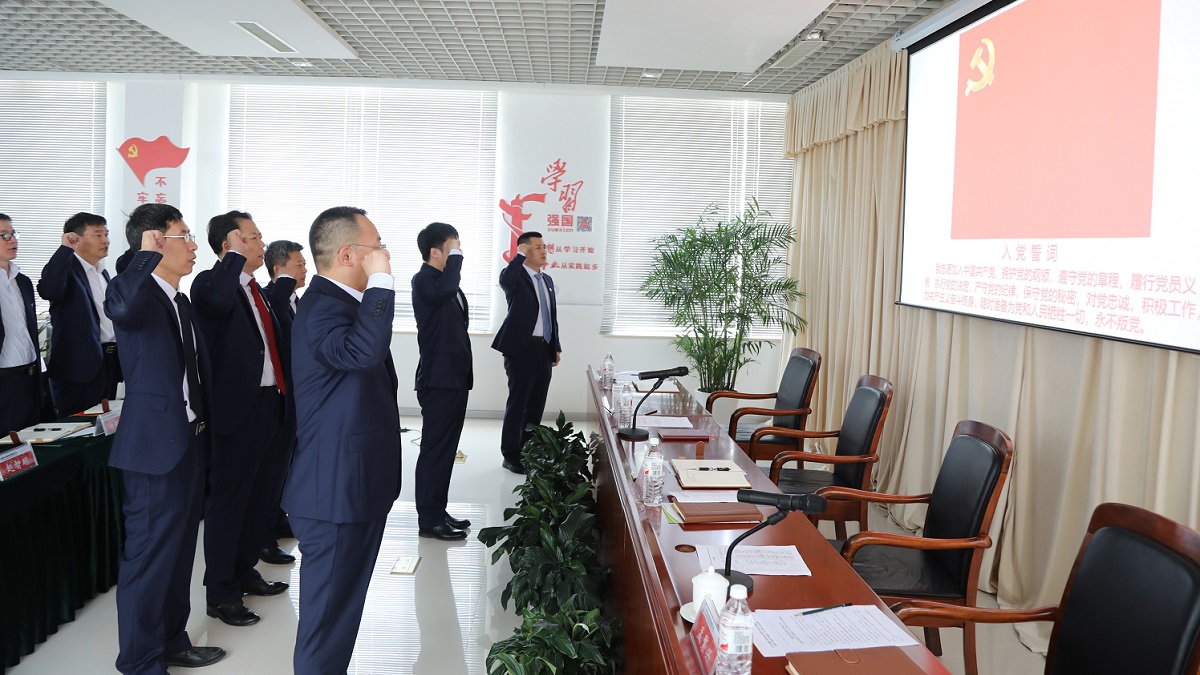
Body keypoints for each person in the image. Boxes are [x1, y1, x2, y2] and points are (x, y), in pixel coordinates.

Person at [103, 203, 226, 673]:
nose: (193, 246)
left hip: (189, 440)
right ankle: (139, 661)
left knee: (177, 553)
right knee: (150, 559)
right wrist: (143, 255)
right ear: (155, 241)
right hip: (154, 448)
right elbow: (120, 306)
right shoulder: (134, 292)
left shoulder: (179, 300)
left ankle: (172, 641)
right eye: (183, 236)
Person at [282, 206, 400, 674]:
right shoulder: (322, 307)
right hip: (333, 490)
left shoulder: (344, 304)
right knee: (327, 624)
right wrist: (382, 283)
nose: (384, 254)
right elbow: (362, 353)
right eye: (377, 247)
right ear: (348, 254)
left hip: (354, 484)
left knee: (341, 616)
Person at [190, 211, 289, 627]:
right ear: (229, 242)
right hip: (235, 411)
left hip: (268, 402)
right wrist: (232, 255)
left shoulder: (255, 289)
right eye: (253, 237)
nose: (261, 244)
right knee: (230, 501)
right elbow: (213, 303)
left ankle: (245, 570)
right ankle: (221, 592)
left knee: (258, 495)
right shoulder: (210, 283)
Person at [411, 222, 472, 540]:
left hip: (454, 378)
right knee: (435, 451)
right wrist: (456, 259)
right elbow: (446, 290)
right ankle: (429, 519)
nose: (459, 254)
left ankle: (438, 510)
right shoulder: (425, 280)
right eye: (453, 248)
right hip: (439, 380)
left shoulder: (444, 282)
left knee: (446, 451)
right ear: (435, 252)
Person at [38, 212, 122, 416]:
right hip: (78, 368)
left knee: (105, 424)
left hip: (108, 363)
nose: (105, 240)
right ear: (76, 238)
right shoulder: (67, 270)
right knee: (77, 427)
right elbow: (48, 290)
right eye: (98, 235)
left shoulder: (102, 272)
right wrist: (65, 249)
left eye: (106, 234)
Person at [491, 231, 561, 473]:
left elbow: (551, 316)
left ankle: (530, 451)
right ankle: (510, 454)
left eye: (544, 247)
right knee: (518, 403)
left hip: (543, 348)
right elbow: (506, 280)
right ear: (525, 249)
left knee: (536, 404)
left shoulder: (547, 280)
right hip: (520, 349)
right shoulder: (515, 276)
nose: (544, 251)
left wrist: (555, 346)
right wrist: (518, 255)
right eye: (538, 247)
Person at [257, 238, 308, 557]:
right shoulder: (269, 298)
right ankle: (263, 535)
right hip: (276, 399)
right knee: (272, 468)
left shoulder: (296, 301)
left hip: (296, 398)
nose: (305, 269)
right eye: (298, 264)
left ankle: (278, 519)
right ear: (278, 269)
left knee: (286, 465)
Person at [0, 213, 41, 437]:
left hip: (30, 380)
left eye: (13, 234)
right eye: (4, 236)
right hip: (4, 382)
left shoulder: (23, 281)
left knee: (30, 445)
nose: (13, 240)